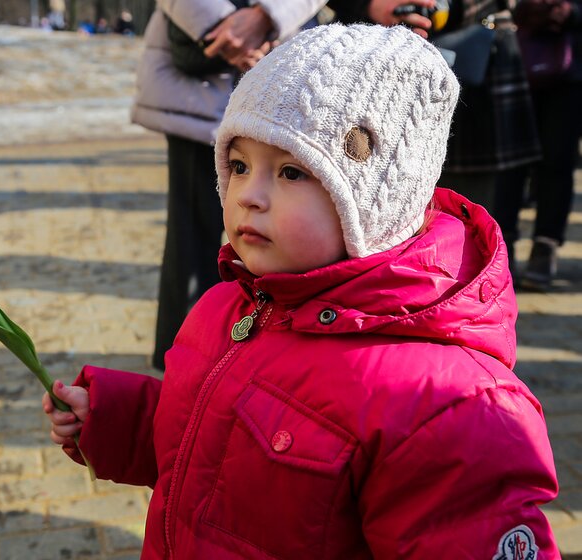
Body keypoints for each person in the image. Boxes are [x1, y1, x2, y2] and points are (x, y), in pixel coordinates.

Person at [44, 24, 559, 556]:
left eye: (291, 172)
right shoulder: (230, 306)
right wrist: (117, 420)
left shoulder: (448, 407)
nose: (249, 196)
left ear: (376, 200)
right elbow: (210, 443)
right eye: (239, 165)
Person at [132, 0, 327, 371]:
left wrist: (268, 16)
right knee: (191, 242)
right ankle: (184, 368)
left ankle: (277, 362)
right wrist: (224, 29)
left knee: (289, 232)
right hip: (212, 74)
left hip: (284, 64)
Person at [330, 0, 541, 216]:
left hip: (477, 70)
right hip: (375, 67)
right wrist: (369, 5)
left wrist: (443, 7)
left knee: (473, 222)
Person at [493, 0, 582, 290]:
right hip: (509, 61)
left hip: (569, 73)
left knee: (557, 162)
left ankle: (545, 247)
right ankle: (502, 246)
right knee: (509, 164)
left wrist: (569, 13)